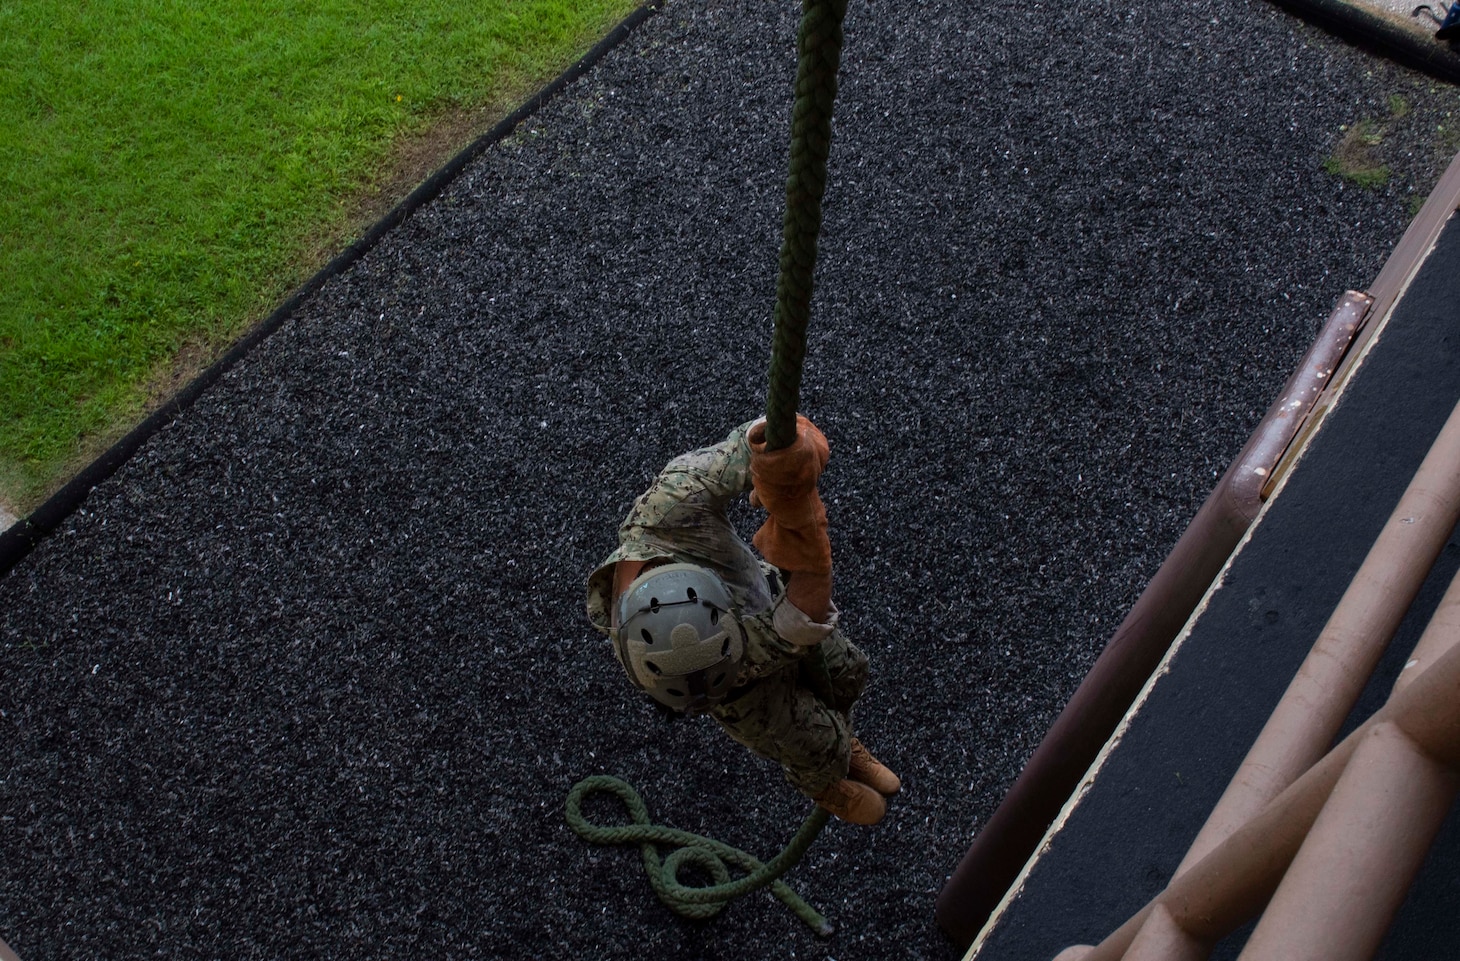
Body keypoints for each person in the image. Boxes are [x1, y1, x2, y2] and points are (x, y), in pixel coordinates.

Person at [585, 415, 899, 824]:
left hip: (763, 599)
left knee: (847, 671)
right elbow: (800, 617)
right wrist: (807, 537)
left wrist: (780, 448)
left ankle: (846, 744)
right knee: (805, 739)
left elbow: (744, 449)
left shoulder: (672, 505)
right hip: (736, 684)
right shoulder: (661, 661)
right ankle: (825, 782)